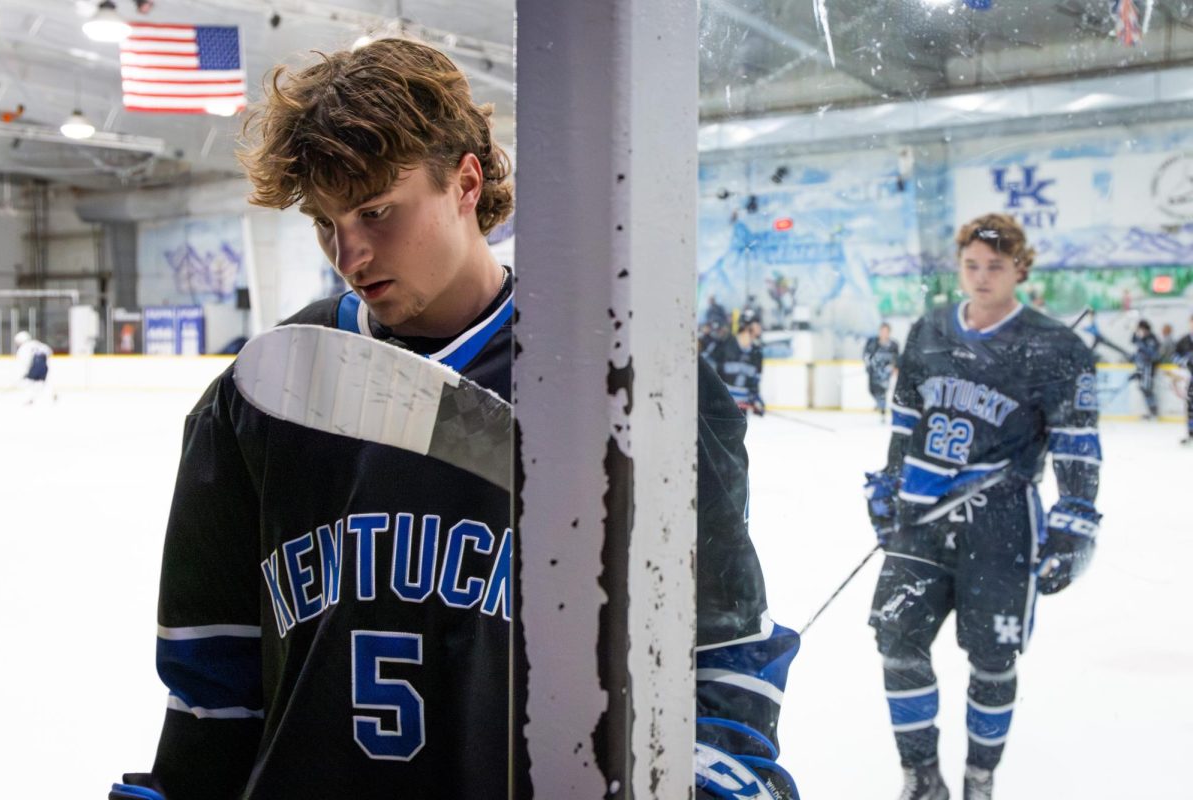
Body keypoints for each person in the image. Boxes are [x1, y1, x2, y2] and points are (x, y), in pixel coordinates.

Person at [111, 38, 798, 800]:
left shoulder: (623, 376)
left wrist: (721, 781)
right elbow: (213, 683)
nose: (350, 251)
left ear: (466, 181)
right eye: (325, 222)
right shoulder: (267, 391)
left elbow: (725, 648)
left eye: (376, 211)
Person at [862, 213, 1102, 800]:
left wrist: (1073, 524)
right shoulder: (929, 332)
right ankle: (920, 778)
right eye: (972, 265)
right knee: (897, 639)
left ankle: (979, 779)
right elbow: (906, 421)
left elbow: (1077, 444)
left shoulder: (1056, 347)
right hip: (922, 513)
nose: (982, 276)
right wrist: (890, 485)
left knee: (993, 657)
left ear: (1020, 267)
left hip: (1002, 524)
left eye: (996, 266)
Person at [718, 308, 766, 415]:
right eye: (757, 323)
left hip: (741, 412)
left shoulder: (757, 354)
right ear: (747, 325)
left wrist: (756, 400)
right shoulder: (725, 345)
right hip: (720, 409)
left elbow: (754, 383)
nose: (760, 327)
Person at [863, 322, 900, 420]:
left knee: (883, 390)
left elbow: (897, 358)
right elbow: (866, 355)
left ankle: (882, 410)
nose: (884, 333)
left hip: (886, 372)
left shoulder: (893, 345)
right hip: (874, 371)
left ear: (889, 332)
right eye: (882, 331)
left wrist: (895, 367)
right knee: (872, 390)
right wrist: (868, 365)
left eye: (886, 331)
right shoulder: (872, 343)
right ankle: (879, 403)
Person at [13, 330, 56, 404]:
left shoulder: (22, 349)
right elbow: (49, 351)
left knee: (28, 382)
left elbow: (26, 361)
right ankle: (52, 394)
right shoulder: (36, 343)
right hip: (43, 366)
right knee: (41, 382)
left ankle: (29, 398)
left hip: (34, 367)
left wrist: (25, 372)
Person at [1131, 319, 1161, 419]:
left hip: (1149, 368)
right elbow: (1132, 341)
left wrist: (1140, 342)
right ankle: (1151, 411)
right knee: (1144, 389)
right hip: (1141, 367)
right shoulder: (1140, 337)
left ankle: (1153, 412)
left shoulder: (1151, 338)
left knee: (1147, 389)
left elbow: (1153, 354)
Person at [1174, 315, 1193, 445]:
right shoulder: (1183, 341)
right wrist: (1184, 361)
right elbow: (1174, 356)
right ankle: (1191, 433)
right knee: (1191, 407)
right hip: (1191, 379)